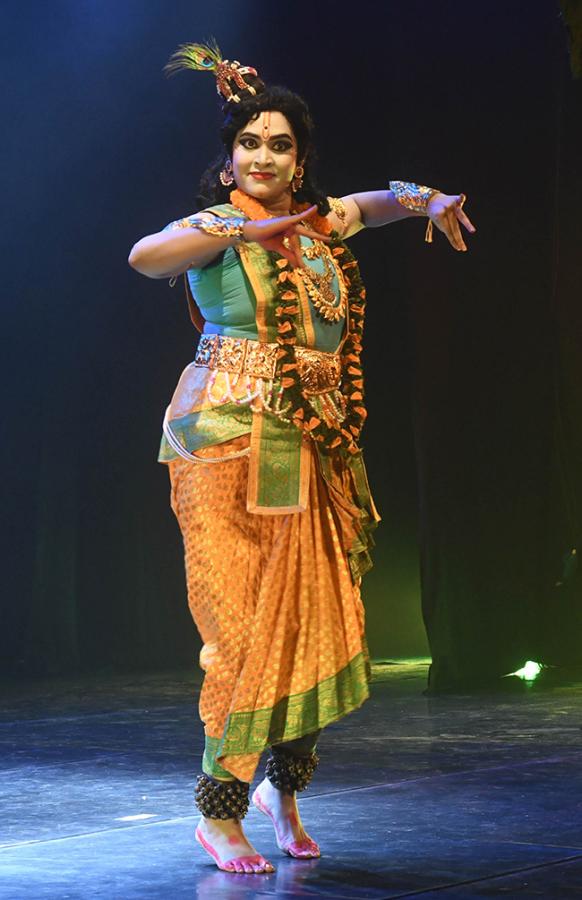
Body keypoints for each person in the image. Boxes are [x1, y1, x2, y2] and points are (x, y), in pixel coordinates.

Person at [128, 40, 476, 875]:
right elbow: (145, 257)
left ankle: (281, 790)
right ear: (229, 158)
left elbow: (370, 204)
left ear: (299, 157)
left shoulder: (321, 229)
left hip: (313, 450)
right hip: (223, 440)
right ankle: (218, 807)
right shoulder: (218, 229)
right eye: (248, 142)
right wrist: (239, 227)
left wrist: (427, 200)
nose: (262, 155)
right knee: (240, 630)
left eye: (279, 144)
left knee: (310, 626)